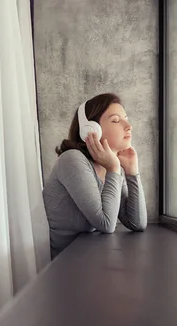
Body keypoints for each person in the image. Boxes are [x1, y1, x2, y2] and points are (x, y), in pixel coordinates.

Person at [43, 93, 147, 259]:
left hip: (92, 258)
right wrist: (114, 168)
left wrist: (131, 171)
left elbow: (137, 222)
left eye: (126, 118)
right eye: (115, 120)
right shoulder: (72, 159)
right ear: (91, 130)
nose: (128, 126)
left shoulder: (110, 167)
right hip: (65, 268)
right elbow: (106, 224)